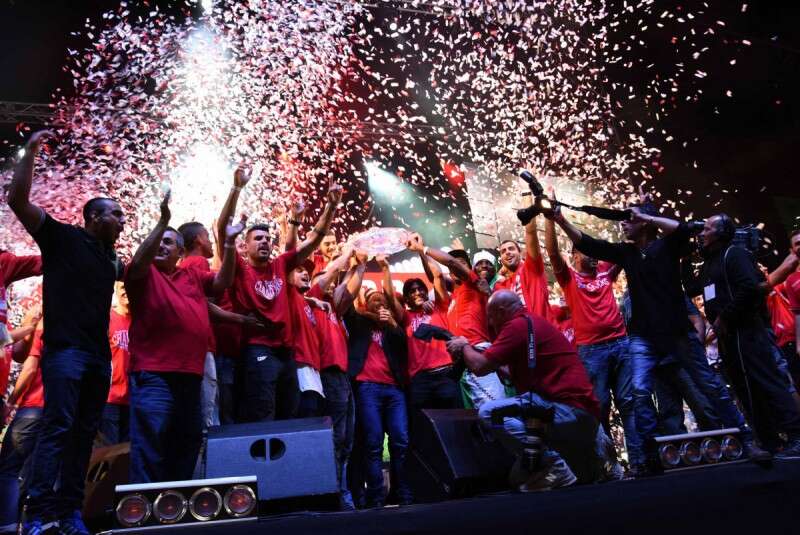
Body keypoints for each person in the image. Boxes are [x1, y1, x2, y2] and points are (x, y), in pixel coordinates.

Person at [546, 198, 756, 474]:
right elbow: (590, 244)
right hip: (643, 337)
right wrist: (561, 219)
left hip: (677, 332)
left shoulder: (666, 246)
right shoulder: (628, 253)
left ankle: (746, 439)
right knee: (640, 393)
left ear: (644, 223)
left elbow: (681, 230)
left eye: (628, 218)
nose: (622, 223)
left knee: (709, 385)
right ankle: (648, 458)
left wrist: (647, 217)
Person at [8, 130, 126, 535]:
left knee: (82, 435)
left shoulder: (111, 259)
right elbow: (17, 202)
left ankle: (70, 512)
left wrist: (165, 225)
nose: (122, 220)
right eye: (115, 213)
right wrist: (32, 152)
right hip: (66, 353)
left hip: (98, 357)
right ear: (93, 217)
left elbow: (143, 272)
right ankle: (37, 514)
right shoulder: (62, 238)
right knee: (58, 429)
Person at [124, 191, 245, 483]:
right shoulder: (142, 273)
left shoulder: (189, 276)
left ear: (180, 252)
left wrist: (229, 244)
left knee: (188, 439)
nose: (162, 246)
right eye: (159, 241)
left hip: (190, 375)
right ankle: (146, 513)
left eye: (169, 242)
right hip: (154, 375)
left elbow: (222, 283)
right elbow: (140, 260)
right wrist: (163, 221)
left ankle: (174, 505)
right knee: (151, 441)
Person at [445, 291, 619, 491]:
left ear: (501, 312)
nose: (491, 324)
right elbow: (513, 372)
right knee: (519, 479)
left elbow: (479, 367)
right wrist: (495, 363)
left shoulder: (516, 326)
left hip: (564, 411)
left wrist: (464, 344)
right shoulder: (532, 322)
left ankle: (553, 463)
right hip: (581, 418)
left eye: (491, 317)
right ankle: (574, 465)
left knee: (489, 413)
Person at [220, 169, 343, 422]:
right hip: (257, 350)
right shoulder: (240, 268)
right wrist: (236, 189)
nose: (264, 242)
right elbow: (223, 230)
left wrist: (330, 208)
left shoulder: (280, 265)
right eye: (257, 239)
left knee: (289, 415)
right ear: (246, 244)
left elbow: (313, 241)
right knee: (263, 413)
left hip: (287, 353)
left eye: (267, 238)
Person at [543, 212, 641, 466]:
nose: (595, 257)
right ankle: (609, 466)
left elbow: (626, 250)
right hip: (591, 351)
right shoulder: (569, 277)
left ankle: (640, 462)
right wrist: (550, 219)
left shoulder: (606, 272)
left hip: (621, 344)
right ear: (575, 255)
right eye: (588, 253)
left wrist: (637, 215)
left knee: (629, 403)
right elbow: (552, 252)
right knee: (599, 409)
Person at [698, 215, 800, 457]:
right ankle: (769, 441)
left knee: (768, 381)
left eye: (707, 228)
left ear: (721, 233)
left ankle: (796, 436)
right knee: (746, 389)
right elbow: (694, 288)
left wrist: (725, 316)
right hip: (728, 336)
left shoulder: (734, 255)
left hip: (747, 330)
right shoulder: (709, 263)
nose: (701, 232)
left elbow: (750, 289)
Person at [343, 259, 411, 508]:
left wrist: (392, 323)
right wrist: (356, 267)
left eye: (382, 301)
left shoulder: (393, 328)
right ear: (365, 304)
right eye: (374, 300)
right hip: (367, 388)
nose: (379, 303)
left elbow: (406, 346)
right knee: (372, 444)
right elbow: (348, 304)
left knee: (400, 441)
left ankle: (402, 493)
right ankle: (376, 497)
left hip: (394, 390)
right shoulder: (359, 323)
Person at [412, 238, 508, 408]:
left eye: (462, 264)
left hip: (479, 353)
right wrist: (420, 253)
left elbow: (451, 262)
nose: (456, 267)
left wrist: (423, 247)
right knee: (480, 418)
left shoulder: (474, 285)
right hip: (464, 362)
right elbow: (436, 274)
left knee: (497, 413)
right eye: (454, 266)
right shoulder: (453, 298)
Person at [306, 246, 359, 510]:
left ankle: (341, 490)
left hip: (343, 379)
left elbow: (351, 290)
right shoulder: (313, 301)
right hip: (328, 375)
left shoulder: (334, 311)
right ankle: (334, 494)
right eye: (324, 280)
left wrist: (361, 264)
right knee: (336, 438)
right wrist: (349, 252)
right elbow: (329, 279)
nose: (330, 284)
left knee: (346, 439)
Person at [384, 239, 461, 413]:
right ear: (407, 298)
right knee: (424, 427)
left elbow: (438, 276)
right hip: (420, 379)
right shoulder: (406, 317)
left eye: (421, 289)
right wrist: (384, 267)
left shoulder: (439, 307)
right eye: (412, 291)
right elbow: (389, 296)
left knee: (453, 422)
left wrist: (421, 251)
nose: (418, 292)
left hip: (445, 374)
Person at [0, 312, 41, 534]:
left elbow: (30, 367)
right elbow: (18, 355)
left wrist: (11, 401)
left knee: (8, 468)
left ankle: (7, 525)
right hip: (52, 409)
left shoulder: (44, 323)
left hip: (33, 406)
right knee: (33, 469)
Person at [178, 221, 221, 428]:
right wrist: (239, 319)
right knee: (208, 413)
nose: (210, 242)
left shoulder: (186, 264)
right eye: (208, 237)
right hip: (201, 347)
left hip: (196, 347)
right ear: (197, 240)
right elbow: (205, 302)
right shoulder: (196, 262)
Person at [492, 209, 553, 321]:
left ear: (520, 253)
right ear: (501, 260)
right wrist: (499, 273)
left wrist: (527, 198)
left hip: (542, 331)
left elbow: (530, 232)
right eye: (503, 251)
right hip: (521, 334)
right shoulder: (501, 286)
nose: (507, 252)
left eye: (511, 249)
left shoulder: (531, 268)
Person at [97, 283, 131, 446]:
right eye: (122, 287)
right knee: (109, 451)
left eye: (129, 286)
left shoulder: (140, 321)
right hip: (109, 398)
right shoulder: (107, 318)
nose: (126, 291)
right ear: (116, 291)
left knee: (127, 454)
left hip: (134, 399)